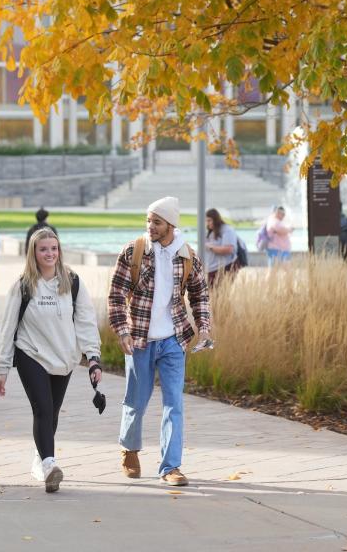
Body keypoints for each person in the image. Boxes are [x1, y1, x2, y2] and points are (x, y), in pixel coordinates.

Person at [108, 196, 211, 487]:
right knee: (136, 401)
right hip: (140, 339)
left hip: (173, 340)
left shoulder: (187, 256)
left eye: (157, 221)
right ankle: (129, 449)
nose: (150, 226)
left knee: (174, 404)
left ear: (171, 225)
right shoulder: (134, 251)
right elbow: (116, 294)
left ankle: (170, 466)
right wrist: (122, 331)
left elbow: (200, 295)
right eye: (148, 220)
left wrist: (203, 328)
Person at [0, 228, 102, 493]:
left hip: (63, 357)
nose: (49, 253)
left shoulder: (72, 282)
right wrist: (2, 367)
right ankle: (50, 464)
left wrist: (93, 357)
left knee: (52, 412)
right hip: (31, 353)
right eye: (43, 249)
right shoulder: (23, 285)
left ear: (59, 251)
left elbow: (85, 320)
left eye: (53, 248)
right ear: (34, 253)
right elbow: (8, 327)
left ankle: (39, 457)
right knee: (42, 408)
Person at [204, 208, 239, 287]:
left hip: (225, 267)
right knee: (212, 295)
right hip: (212, 269)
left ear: (215, 220)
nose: (207, 223)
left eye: (209, 220)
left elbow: (229, 249)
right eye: (206, 221)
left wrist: (210, 247)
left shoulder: (227, 230)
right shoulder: (211, 231)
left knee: (220, 295)